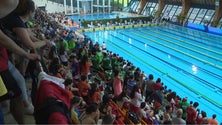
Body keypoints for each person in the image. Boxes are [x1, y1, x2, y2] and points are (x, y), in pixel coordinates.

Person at [0, 0, 38, 124]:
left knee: (19, 83)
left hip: (5, 60)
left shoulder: (11, 18)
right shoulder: (15, 20)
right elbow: (5, 40)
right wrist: (26, 54)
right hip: (2, 64)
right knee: (17, 95)